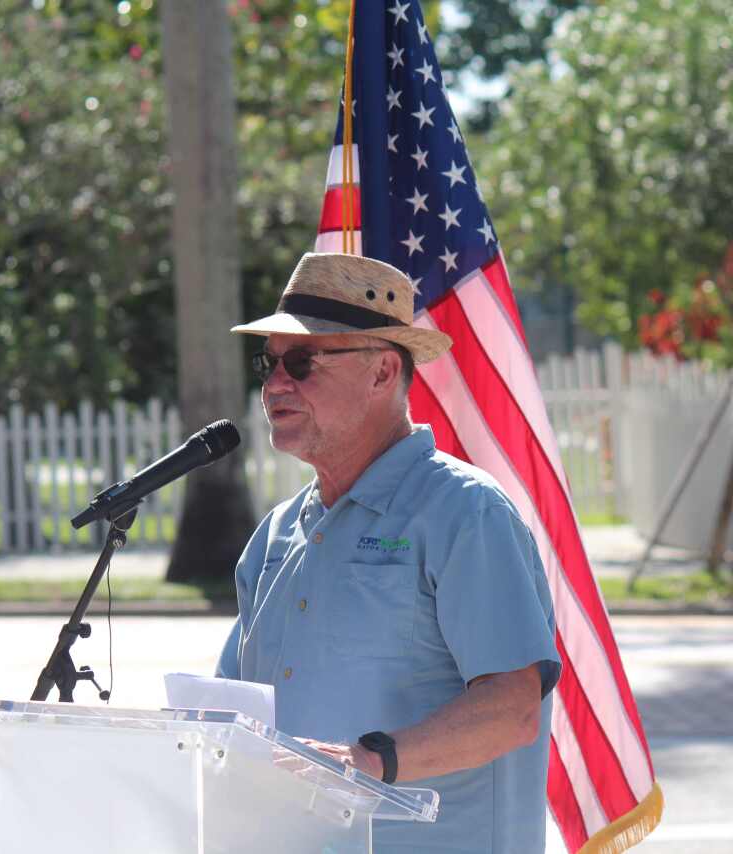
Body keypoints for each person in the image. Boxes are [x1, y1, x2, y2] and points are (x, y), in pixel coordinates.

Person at [217, 252, 561, 853]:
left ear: (381, 372)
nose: (275, 384)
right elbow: (229, 714)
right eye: (267, 363)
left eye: (300, 363)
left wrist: (369, 762)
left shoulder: (464, 512)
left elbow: (512, 710)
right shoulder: (276, 534)